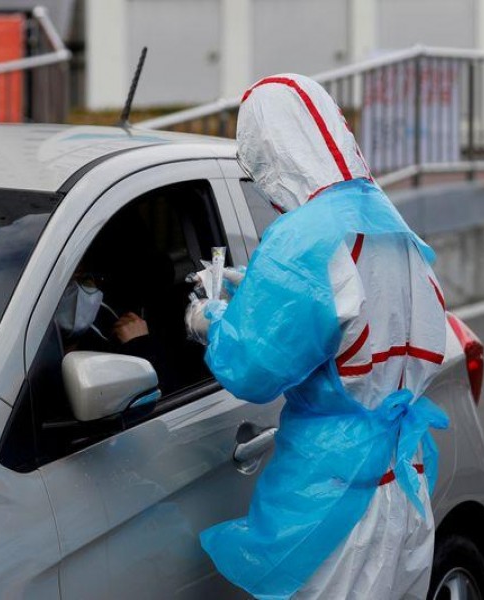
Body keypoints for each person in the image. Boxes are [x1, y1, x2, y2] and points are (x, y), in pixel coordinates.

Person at [187, 74, 450, 599]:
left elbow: (253, 369)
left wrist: (212, 320)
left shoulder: (304, 236)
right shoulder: (389, 222)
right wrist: (264, 292)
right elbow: (356, 315)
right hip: (405, 487)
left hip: (334, 506)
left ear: (269, 149)